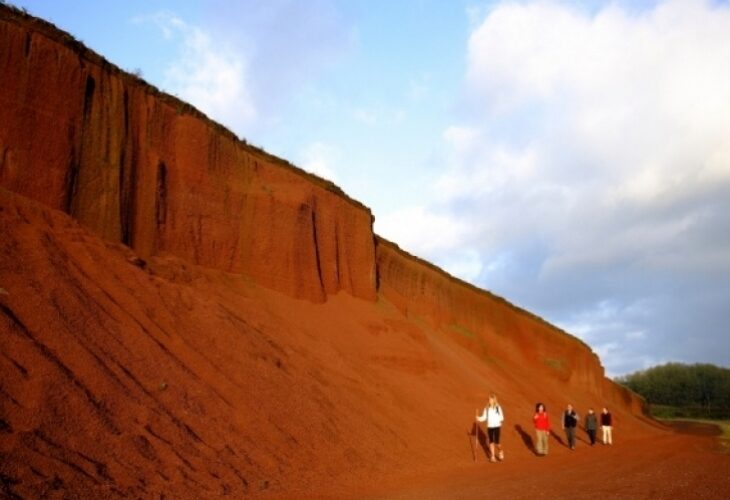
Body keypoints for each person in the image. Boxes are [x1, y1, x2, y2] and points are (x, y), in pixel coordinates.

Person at [476, 394, 505, 462]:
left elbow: (502, 417)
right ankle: (492, 456)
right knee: (491, 441)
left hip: (497, 426)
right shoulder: (486, 408)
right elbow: (484, 417)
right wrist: (478, 418)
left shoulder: (498, 407)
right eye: (489, 399)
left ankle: (500, 451)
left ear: (494, 400)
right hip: (490, 426)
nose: (489, 400)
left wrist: (499, 420)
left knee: (497, 442)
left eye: (490, 399)